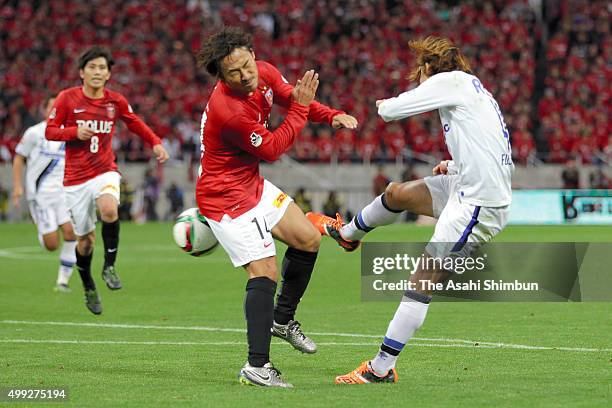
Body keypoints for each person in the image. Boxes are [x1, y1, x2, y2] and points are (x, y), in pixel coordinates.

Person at [308, 36, 514, 383]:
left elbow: (390, 111)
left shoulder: (450, 83)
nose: (418, 80)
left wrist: (381, 103)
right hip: (466, 187)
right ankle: (347, 235)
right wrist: (452, 165)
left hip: (479, 205)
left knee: (423, 279)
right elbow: (490, 147)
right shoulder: (472, 90)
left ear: (429, 69)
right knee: (398, 193)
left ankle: (380, 369)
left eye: (419, 73)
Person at [195, 27, 357, 387]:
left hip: (249, 183)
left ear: (254, 55)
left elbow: (292, 95)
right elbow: (271, 148)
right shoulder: (228, 110)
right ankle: (257, 366)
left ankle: (282, 320)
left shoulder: (264, 71)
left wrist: (329, 115)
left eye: (247, 65)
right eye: (234, 72)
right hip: (226, 197)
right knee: (264, 271)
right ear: (221, 76)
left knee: (307, 240)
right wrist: (300, 110)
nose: (245, 75)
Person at [45, 46, 169, 315]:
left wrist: (155, 143)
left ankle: (109, 266)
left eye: (102, 68)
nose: (98, 72)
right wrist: (74, 131)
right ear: (82, 72)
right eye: (92, 67)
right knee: (85, 241)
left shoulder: (115, 102)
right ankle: (88, 282)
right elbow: (50, 131)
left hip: (104, 171)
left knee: (110, 209)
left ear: (109, 73)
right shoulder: (67, 99)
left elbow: (135, 123)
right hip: (75, 180)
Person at [12, 95, 77, 292]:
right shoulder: (35, 133)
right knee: (51, 245)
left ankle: (62, 282)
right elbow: (18, 158)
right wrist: (17, 186)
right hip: (40, 196)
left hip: (64, 194)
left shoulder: (71, 134)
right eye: (52, 107)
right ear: (45, 110)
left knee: (71, 232)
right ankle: (43, 227)